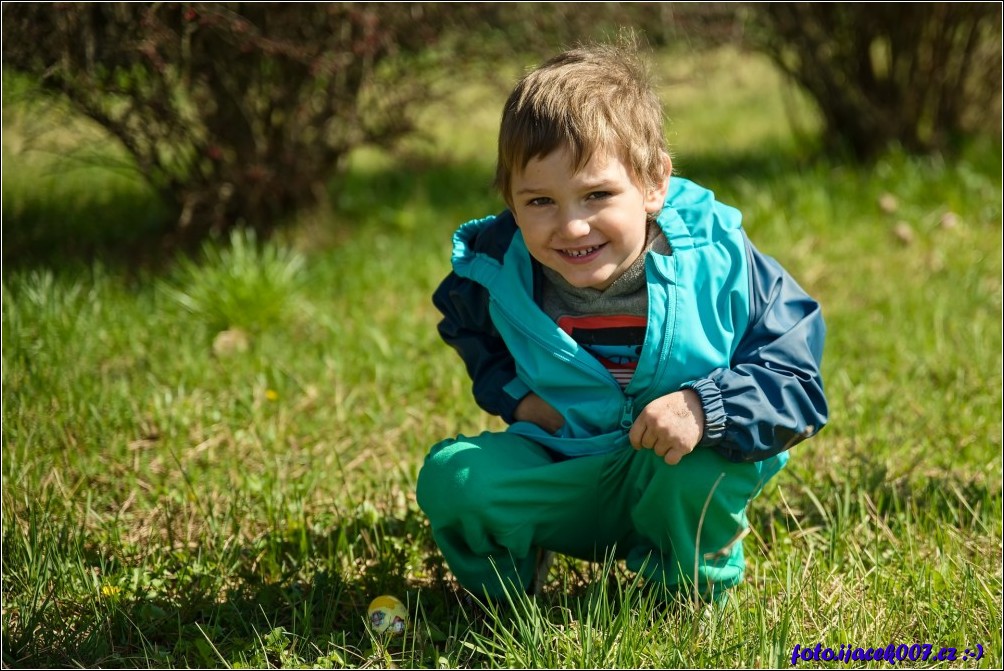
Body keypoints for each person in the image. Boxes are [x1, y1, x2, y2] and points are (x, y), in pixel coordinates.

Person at [416, 39, 828, 608]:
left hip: (672, 472)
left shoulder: (720, 262)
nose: (572, 227)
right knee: (455, 479)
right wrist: (515, 399)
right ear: (510, 202)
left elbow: (796, 381)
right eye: (540, 202)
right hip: (565, 466)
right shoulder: (494, 271)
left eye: (597, 195)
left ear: (654, 182)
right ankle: (508, 594)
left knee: (697, 469)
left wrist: (705, 407)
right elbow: (470, 329)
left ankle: (687, 596)